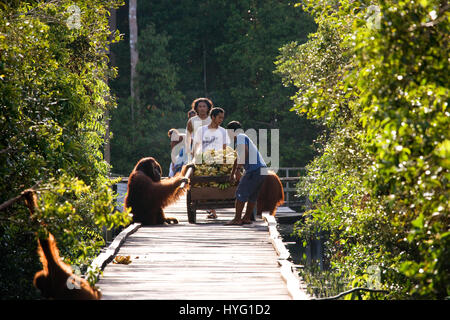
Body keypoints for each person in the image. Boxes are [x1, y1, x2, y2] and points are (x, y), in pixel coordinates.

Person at [226, 121, 267, 225]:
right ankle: (246, 218)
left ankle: (237, 219)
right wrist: (232, 173)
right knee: (252, 195)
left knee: (240, 193)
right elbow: (237, 158)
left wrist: (238, 170)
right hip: (262, 169)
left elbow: (245, 152)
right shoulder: (241, 138)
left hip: (254, 170)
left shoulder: (240, 136)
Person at [192, 107, 230, 219]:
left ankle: (212, 209)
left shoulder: (223, 131)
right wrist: (195, 160)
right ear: (212, 117)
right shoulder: (201, 130)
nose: (221, 120)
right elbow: (196, 147)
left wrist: (223, 161)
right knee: (204, 183)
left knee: (216, 183)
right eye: (219, 117)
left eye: (222, 118)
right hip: (204, 161)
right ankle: (212, 210)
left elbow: (224, 149)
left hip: (218, 161)